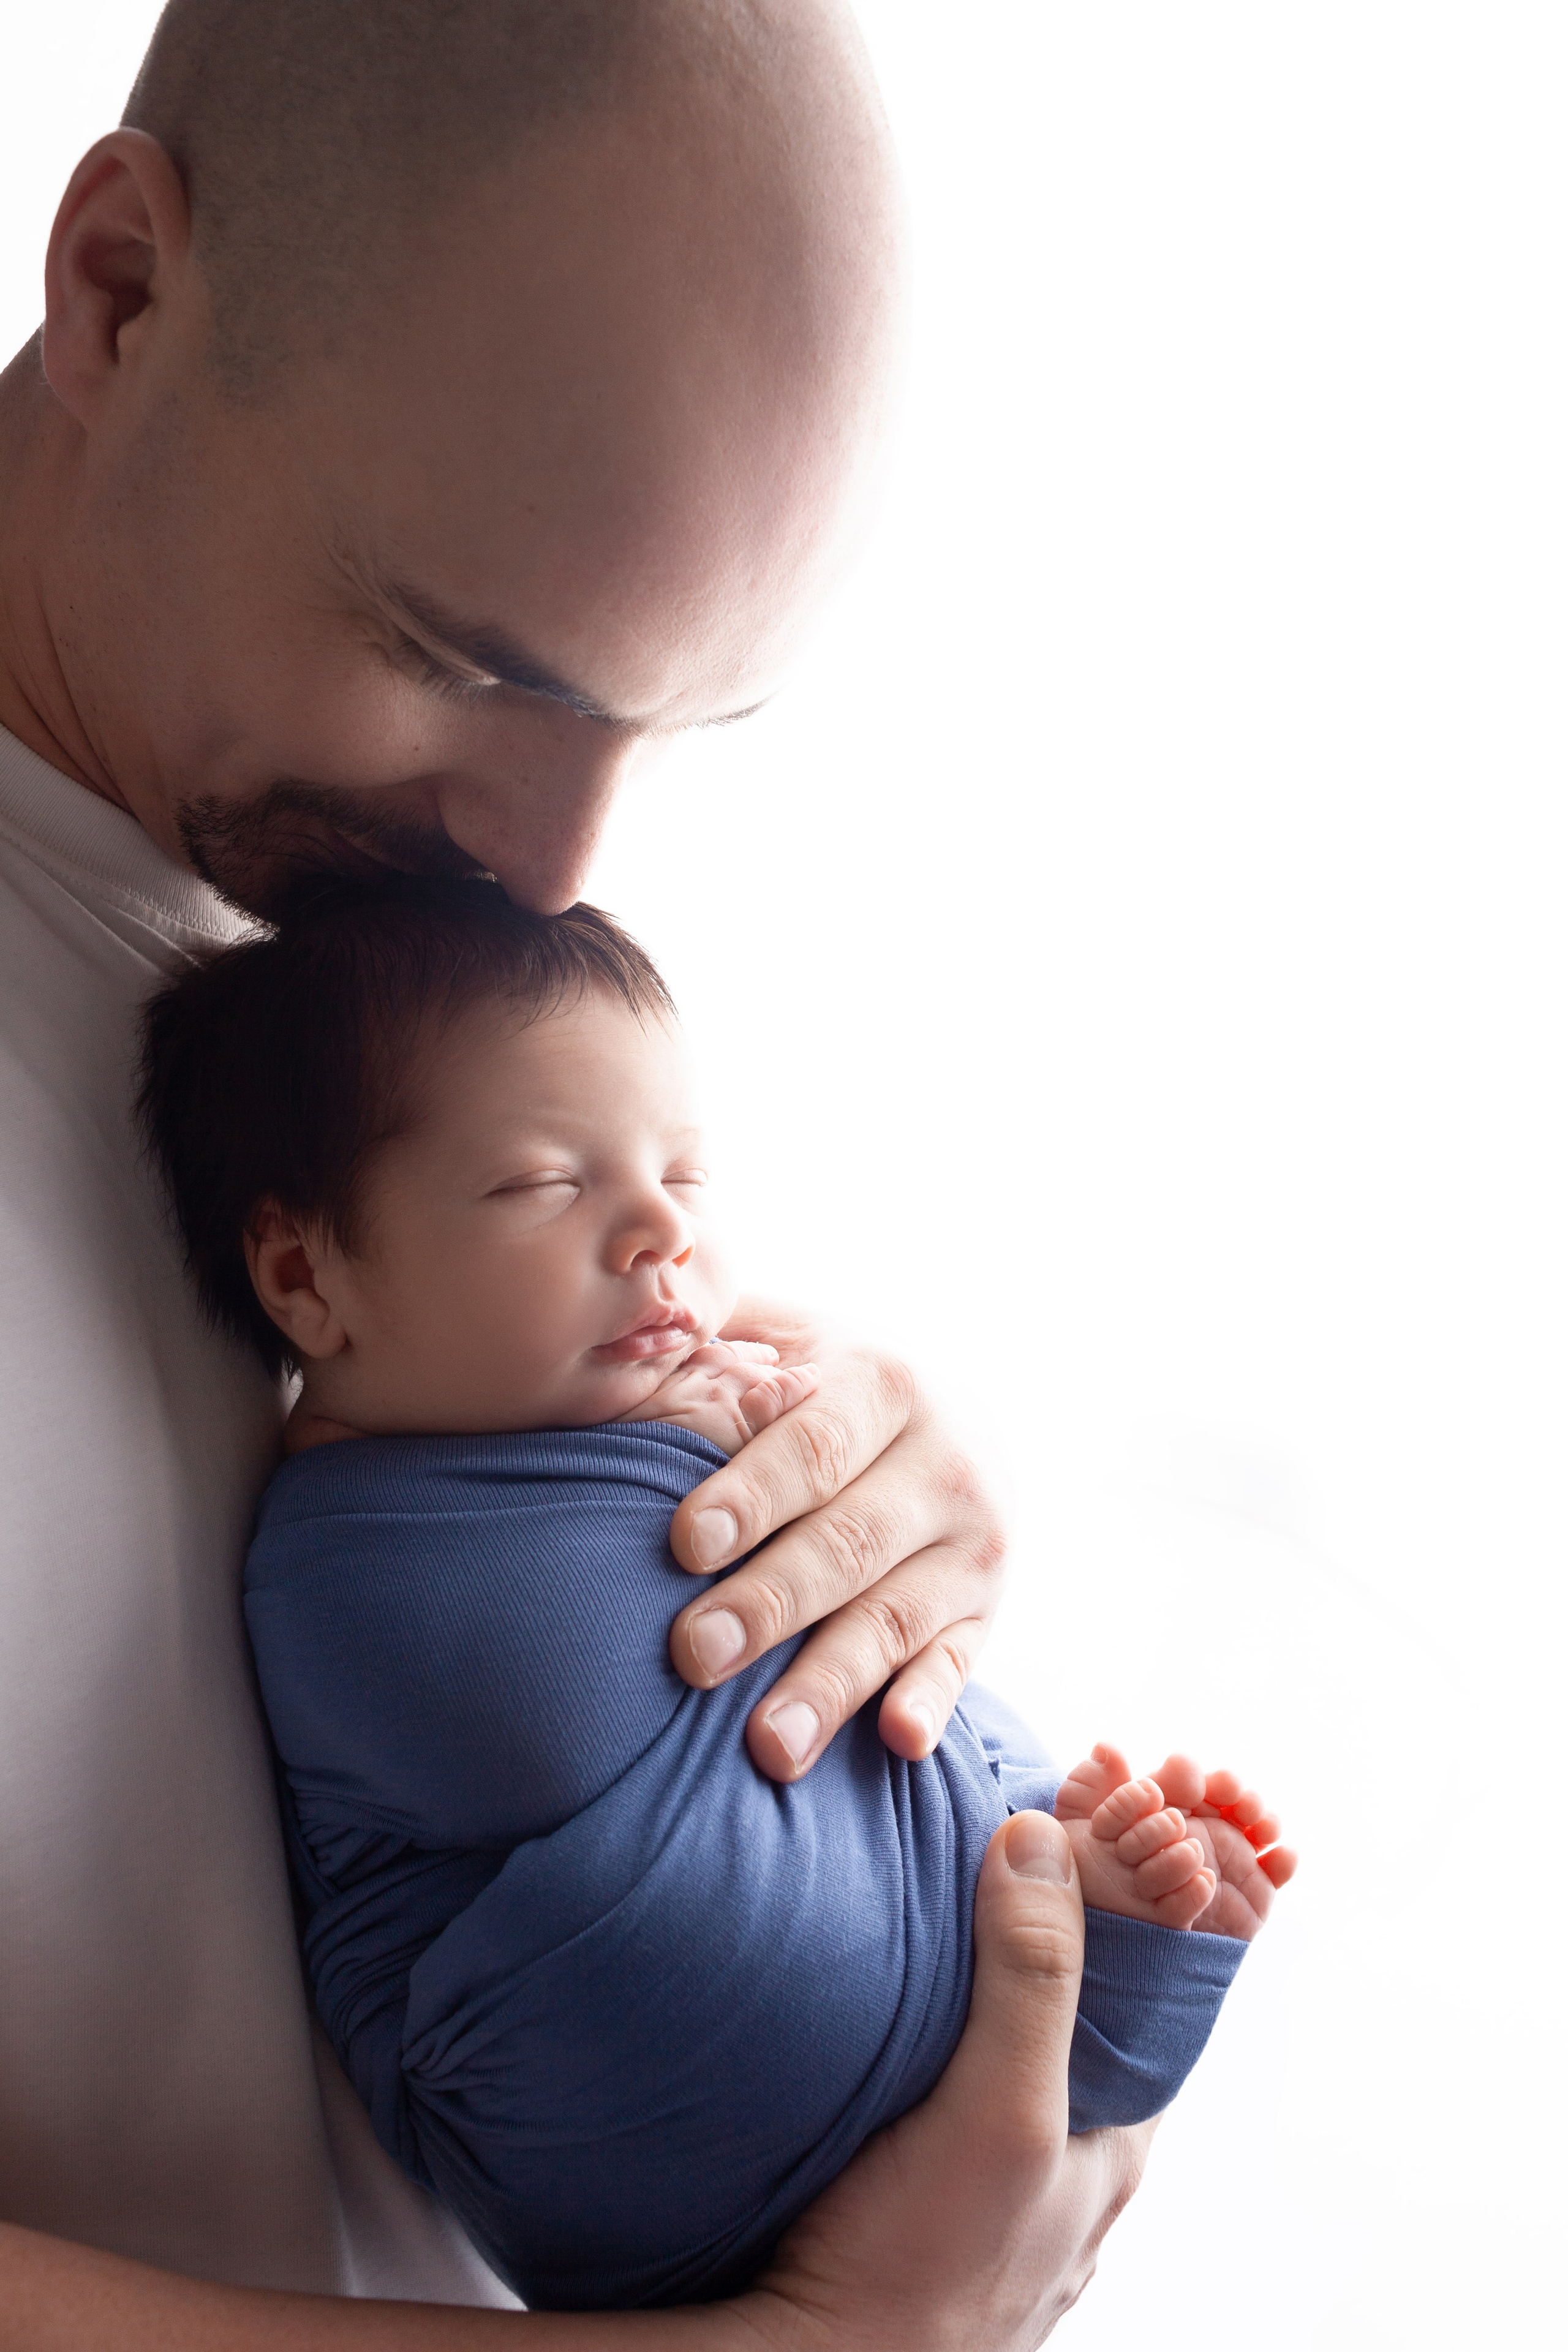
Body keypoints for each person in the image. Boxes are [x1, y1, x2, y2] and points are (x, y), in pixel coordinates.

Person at [0, 3, 1158, 2342]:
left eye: (656, 720)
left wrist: (832, 1532)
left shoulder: (343, 938)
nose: (555, 862)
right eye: (469, 664)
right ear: (118, 286)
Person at [136, 877, 1294, 2310]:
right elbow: (553, 1710)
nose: (655, 1235)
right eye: (543, 1184)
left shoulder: (658, 1414)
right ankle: (1028, 1960)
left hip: (901, 2066)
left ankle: (1081, 1939)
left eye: (681, 1177)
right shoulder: (348, 1553)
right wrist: (691, 1440)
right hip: (627, 2128)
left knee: (996, 1814)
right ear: (307, 1277)